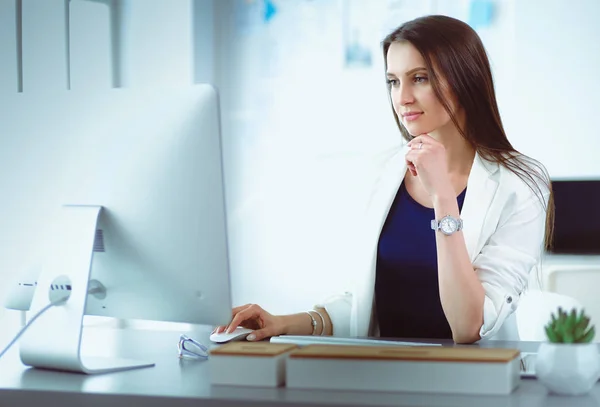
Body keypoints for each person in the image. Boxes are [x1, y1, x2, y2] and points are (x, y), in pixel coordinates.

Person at [215, 15, 554, 344]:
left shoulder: (519, 183)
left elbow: (470, 326)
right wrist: (284, 323)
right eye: (393, 81)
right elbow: (362, 304)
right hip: (385, 375)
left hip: (474, 385)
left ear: (464, 79)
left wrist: (444, 199)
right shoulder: (382, 171)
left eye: (419, 78)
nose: (402, 97)